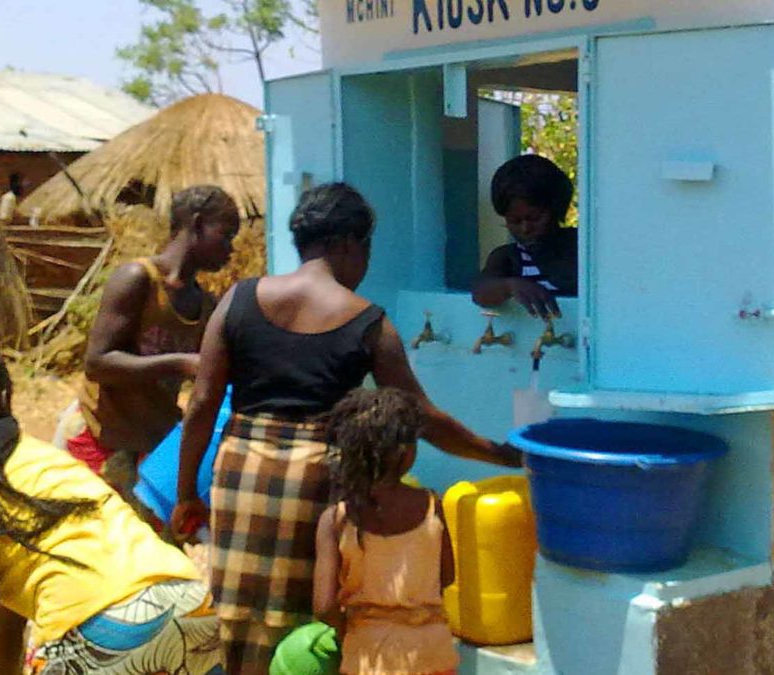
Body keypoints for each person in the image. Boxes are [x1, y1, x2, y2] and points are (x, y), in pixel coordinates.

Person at [173, 182, 520, 674]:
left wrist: (187, 493)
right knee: (311, 616)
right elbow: (420, 416)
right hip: (320, 476)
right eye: (366, 250)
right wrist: (502, 454)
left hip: (241, 473)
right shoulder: (368, 322)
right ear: (346, 245)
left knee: (239, 612)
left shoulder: (239, 299)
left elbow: (203, 404)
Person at [0, 340, 222, 675]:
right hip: (188, 602)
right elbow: (6, 617)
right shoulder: (42, 459)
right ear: (4, 401)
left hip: (100, 625)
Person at [68, 185, 240, 500]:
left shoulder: (205, 306)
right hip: (101, 434)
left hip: (151, 442)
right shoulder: (138, 279)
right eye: (226, 235)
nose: (231, 248)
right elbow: (97, 363)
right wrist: (181, 362)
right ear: (198, 224)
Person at [314, 387, 459, 675]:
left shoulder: (335, 520)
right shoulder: (431, 506)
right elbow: (447, 576)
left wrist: (349, 631)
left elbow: (323, 605)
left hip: (367, 652)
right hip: (431, 651)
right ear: (405, 453)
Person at [472, 154, 578, 318]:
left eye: (535, 218)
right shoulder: (508, 258)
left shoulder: (581, 248)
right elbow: (480, 292)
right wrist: (509, 286)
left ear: (557, 209)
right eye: (514, 221)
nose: (525, 228)